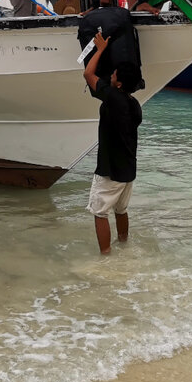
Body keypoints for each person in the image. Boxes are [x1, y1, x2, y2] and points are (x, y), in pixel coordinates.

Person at [83, 31, 143, 255]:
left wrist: (100, 50)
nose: (111, 75)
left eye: (114, 74)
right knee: (121, 210)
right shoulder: (134, 104)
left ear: (119, 84)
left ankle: (106, 256)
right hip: (128, 168)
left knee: (100, 213)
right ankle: (124, 244)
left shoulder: (112, 97)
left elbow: (88, 74)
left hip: (111, 169)